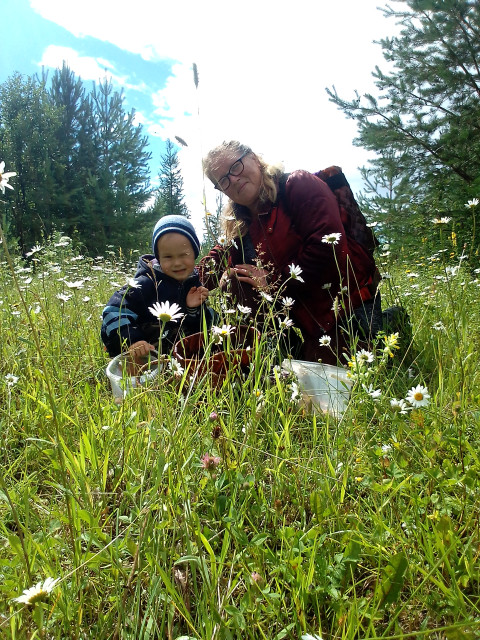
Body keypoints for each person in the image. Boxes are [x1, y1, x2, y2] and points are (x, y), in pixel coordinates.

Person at [199, 141, 382, 365]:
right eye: (224, 181)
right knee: (236, 280)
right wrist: (159, 273)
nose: (234, 179)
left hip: (343, 307)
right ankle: (276, 356)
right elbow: (211, 267)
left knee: (333, 385)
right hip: (301, 317)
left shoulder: (297, 185)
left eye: (235, 167)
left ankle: (385, 322)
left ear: (254, 158)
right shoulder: (240, 223)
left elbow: (328, 245)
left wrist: (274, 282)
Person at [101, 215, 214, 370]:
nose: (177, 263)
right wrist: (133, 341)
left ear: (195, 253)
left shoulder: (195, 284)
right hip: (144, 351)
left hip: (174, 357)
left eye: (184, 255)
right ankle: (133, 390)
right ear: (158, 257)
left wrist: (192, 309)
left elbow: (201, 328)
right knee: (133, 366)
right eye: (168, 257)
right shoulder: (145, 283)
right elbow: (113, 311)